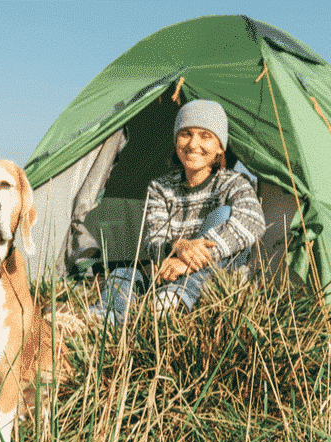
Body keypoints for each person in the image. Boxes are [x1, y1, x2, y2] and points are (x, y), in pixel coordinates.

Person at [90, 99, 266, 322]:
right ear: (176, 142)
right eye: (186, 134)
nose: (193, 144)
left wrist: (188, 262)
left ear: (220, 147)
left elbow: (253, 221)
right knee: (124, 274)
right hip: (168, 271)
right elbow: (155, 242)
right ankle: (103, 319)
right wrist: (179, 246)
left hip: (215, 275)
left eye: (205, 136)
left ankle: (176, 297)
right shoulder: (161, 187)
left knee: (223, 215)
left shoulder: (234, 182)